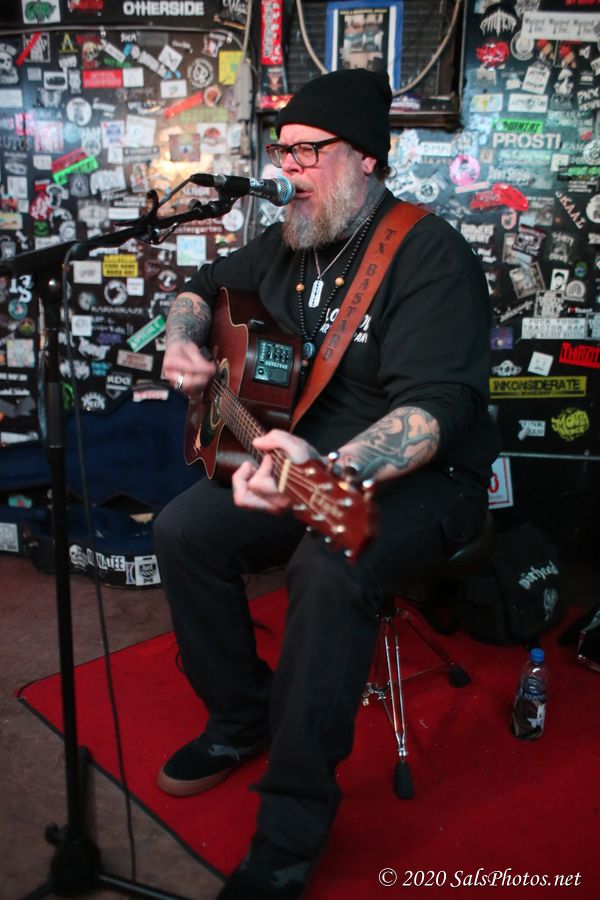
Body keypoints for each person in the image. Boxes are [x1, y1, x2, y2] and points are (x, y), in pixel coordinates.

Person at [155, 68, 500, 899]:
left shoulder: (427, 253)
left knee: (327, 561)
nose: (290, 168)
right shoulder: (291, 236)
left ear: (366, 157)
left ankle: (291, 826)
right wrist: (182, 339)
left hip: (418, 478)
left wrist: (329, 471)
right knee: (183, 529)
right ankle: (242, 717)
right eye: (284, 152)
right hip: (299, 459)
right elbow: (198, 290)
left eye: (309, 152)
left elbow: (438, 410)